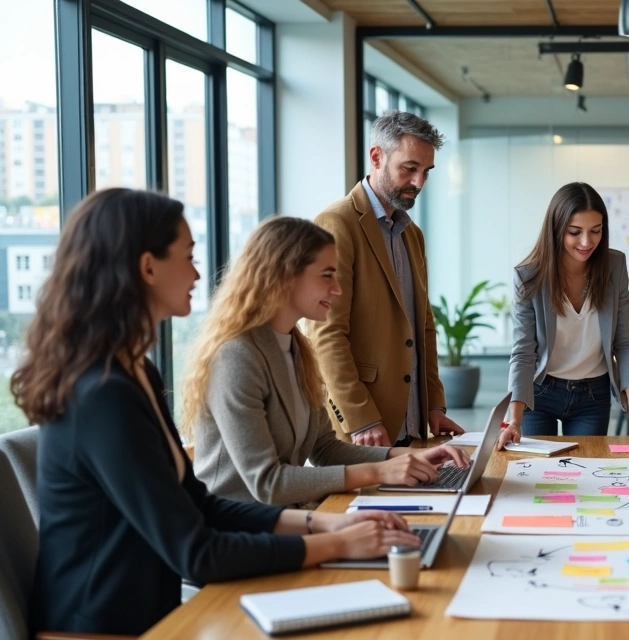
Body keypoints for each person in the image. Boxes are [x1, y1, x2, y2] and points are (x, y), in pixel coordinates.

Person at [14, 189, 420, 636]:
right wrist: (336, 542)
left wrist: (322, 522)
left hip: (153, 614)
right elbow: (197, 553)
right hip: (104, 629)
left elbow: (199, 504)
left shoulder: (136, 371)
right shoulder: (101, 394)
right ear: (148, 267)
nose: (196, 272)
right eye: (187, 256)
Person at [184, 216, 470, 507]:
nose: (338, 288)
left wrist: (407, 456)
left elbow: (324, 449)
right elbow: (268, 484)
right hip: (240, 531)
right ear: (285, 275)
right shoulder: (237, 356)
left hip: (289, 516)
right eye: (327, 275)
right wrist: (381, 471)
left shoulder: (297, 348)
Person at [308, 110, 464, 448]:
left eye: (426, 172)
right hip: (364, 429)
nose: (419, 182)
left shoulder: (413, 235)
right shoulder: (337, 224)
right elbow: (326, 333)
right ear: (377, 157)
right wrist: (360, 417)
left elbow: (423, 326)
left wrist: (434, 405)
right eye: (409, 168)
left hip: (412, 424)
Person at [498, 183, 629, 449]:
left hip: (592, 395)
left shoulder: (614, 267)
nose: (586, 242)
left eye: (596, 231)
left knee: (587, 471)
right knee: (536, 475)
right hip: (540, 393)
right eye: (575, 232)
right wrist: (513, 419)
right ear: (557, 229)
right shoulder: (528, 277)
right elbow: (524, 352)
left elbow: (626, 343)